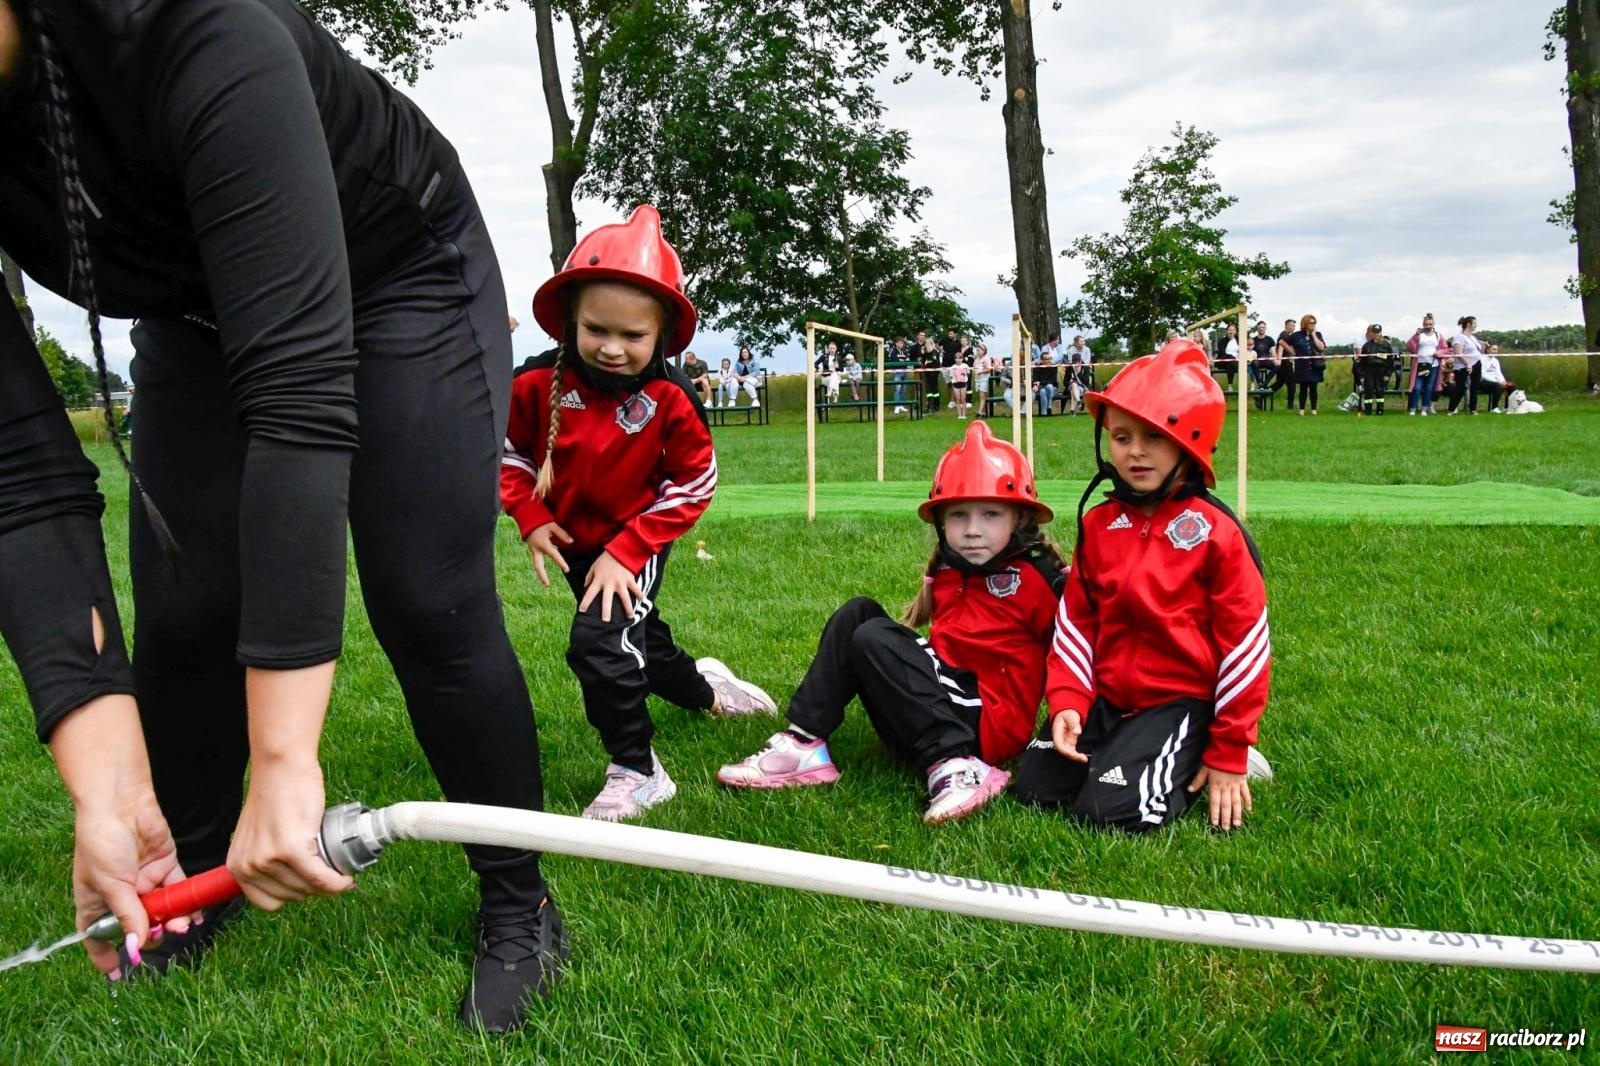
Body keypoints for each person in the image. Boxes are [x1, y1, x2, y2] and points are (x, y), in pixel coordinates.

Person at [0, 0, 561, 1031]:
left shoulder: (196, 29)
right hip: (197, 309)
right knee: (184, 610)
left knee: (424, 593)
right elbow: (16, 476)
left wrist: (285, 756)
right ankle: (192, 873)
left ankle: (518, 894)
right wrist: (106, 788)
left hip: (397, 271)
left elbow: (299, 398)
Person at [502, 205, 778, 824]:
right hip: (575, 542)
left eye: (633, 336)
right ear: (570, 319)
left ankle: (637, 770)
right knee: (642, 646)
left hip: (633, 541)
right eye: (597, 329)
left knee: (600, 645)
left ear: (662, 336)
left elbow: (693, 483)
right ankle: (708, 689)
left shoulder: (671, 399)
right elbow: (510, 453)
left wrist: (627, 552)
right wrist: (527, 513)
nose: (612, 348)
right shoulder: (532, 385)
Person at [716, 420, 1066, 824]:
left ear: (1019, 519)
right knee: (858, 613)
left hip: (986, 723)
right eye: (958, 516)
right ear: (940, 521)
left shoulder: (1038, 579)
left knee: (874, 637)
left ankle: (958, 767)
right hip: (938, 703)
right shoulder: (950, 571)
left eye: (990, 514)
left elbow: (1075, 648)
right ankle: (802, 743)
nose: (972, 530)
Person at [1012, 340, 1272, 832]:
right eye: (1121, 436)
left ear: (1191, 441)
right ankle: (1131, 751)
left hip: (1179, 701)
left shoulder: (1217, 533)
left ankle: (1198, 753)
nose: (1134, 451)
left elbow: (1246, 647)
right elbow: (1075, 623)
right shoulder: (1100, 523)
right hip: (1109, 697)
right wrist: (1068, 700)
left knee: (1111, 811)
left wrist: (1230, 748)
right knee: (1035, 789)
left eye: (1153, 436)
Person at [1405, 313, 1445, 416]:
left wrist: (1438, 353)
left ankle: (1424, 409)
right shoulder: (1419, 335)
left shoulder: (1438, 336)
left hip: (1434, 365)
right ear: (1423, 324)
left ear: (1433, 324)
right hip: (1420, 364)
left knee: (1429, 387)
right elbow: (1409, 346)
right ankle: (1413, 408)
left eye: (1430, 324)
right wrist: (1415, 336)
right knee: (1417, 387)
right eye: (1426, 324)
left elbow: (1445, 349)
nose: (1428, 326)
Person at [1288, 314, 1327, 415]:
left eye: (1314, 323)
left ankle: (1314, 410)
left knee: (1313, 388)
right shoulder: (1296, 335)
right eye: (1311, 323)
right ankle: (1301, 410)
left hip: (1315, 366)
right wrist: (1292, 352)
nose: (1313, 325)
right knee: (1303, 389)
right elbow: (1283, 342)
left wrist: (1313, 335)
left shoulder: (1318, 334)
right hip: (1302, 366)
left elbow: (1322, 347)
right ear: (1305, 323)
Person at [1355, 324, 1396, 417]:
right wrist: (1362, 376)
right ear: (1371, 333)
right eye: (1374, 332)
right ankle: (1368, 411)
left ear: (1381, 332)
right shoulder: (1367, 345)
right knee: (1368, 391)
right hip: (1369, 370)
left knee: (1380, 391)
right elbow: (1362, 362)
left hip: (1381, 370)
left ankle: (1380, 411)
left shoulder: (1386, 345)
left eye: (1378, 332)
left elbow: (1390, 361)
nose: (1376, 334)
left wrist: (1388, 374)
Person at [1248, 322, 1276, 407]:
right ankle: (1260, 383)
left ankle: (1263, 385)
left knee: (1277, 365)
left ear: (1265, 328)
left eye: (1263, 327)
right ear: (1257, 328)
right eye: (1260, 327)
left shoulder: (1270, 339)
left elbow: (1273, 351)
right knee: (1254, 363)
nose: (1261, 329)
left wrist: (1275, 359)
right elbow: (1248, 349)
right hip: (1257, 360)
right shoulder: (1254, 340)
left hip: (1267, 360)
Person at [1212, 323, 1240, 392]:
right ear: (1227, 331)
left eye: (1233, 330)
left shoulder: (1239, 340)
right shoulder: (1222, 341)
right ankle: (1230, 385)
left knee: (1231, 363)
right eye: (1230, 330)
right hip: (1224, 361)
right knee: (1230, 358)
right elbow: (1222, 352)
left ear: (1236, 331)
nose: (1231, 332)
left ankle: (1230, 385)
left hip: (1235, 362)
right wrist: (1230, 357)